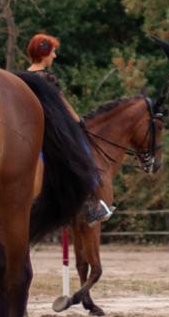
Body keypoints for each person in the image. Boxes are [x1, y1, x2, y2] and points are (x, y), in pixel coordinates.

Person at [26, 33, 111, 224]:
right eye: (53, 52)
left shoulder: (21, 78)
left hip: (29, 130)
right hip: (51, 130)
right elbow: (62, 104)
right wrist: (78, 122)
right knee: (83, 156)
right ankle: (91, 204)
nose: (54, 56)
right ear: (44, 53)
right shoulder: (46, 77)